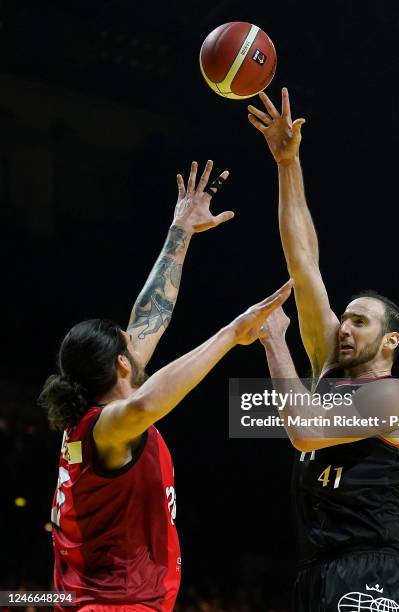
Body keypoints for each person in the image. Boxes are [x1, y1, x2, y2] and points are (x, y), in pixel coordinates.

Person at [39, 159, 293, 612]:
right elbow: (149, 402)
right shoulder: (110, 426)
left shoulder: (89, 413)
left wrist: (181, 232)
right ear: (121, 365)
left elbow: (149, 317)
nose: (137, 336)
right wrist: (232, 333)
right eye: (127, 341)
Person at [247, 89, 399, 612]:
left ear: (389, 341)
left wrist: (275, 340)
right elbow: (304, 264)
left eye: (359, 321)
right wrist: (287, 162)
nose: (344, 326)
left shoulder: (395, 398)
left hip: (368, 569)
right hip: (313, 568)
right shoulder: (331, 363)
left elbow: (304, 429)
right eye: (344, 316)